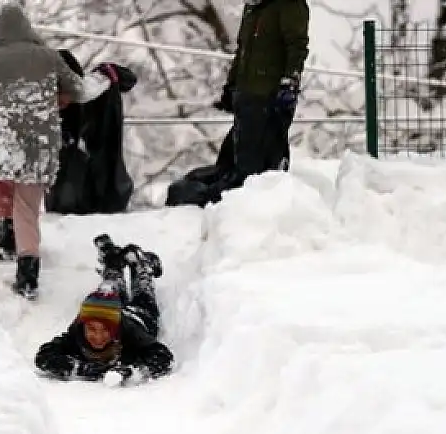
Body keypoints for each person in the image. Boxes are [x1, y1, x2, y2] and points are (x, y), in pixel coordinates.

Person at [0, 4, 122, 298]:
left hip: (4, 141)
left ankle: (5, 240)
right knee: (27, 209)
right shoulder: (49, 57)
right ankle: (28, 274)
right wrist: (104, 76)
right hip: (40, 144)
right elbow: (81, 91)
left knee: (1, 187)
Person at [165, 0, 309, 208]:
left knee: (254, 166)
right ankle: (217, 197)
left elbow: (297, 46)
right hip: (246, 95)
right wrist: (231, 86)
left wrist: (289, 84)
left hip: (268, 97)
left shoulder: (288, 5)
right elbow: (243, 51)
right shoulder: (253, 7)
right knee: (233, 158)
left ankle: (239, 204)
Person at [35, 235, 175, 384]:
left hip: (138, 317)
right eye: (92, 329)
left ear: (115, 329)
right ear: (83, 326)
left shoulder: (130, 334)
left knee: (143, 293)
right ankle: (113, 261)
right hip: (111, 312)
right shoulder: (77, 334)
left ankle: (141, 266)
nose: (98, 337)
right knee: (107, 292)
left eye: (106, 330)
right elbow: (44, 357)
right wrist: (79, 368)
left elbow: (163, 357)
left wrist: (132, 371)